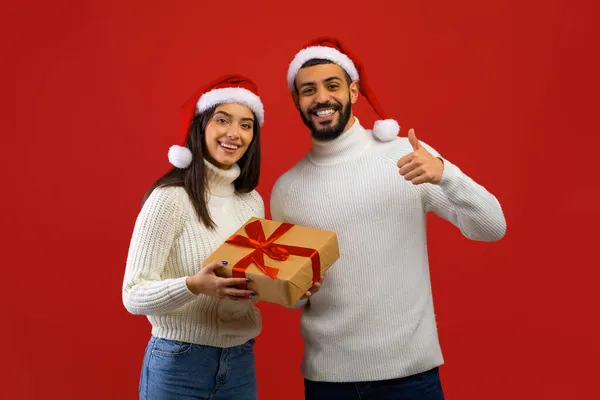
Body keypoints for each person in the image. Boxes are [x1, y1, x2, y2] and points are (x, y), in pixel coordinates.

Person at [270, 37, 507, 400]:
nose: (321, 98)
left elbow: (492, 227)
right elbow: (295, 294)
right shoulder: (287, 189)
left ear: (353, 90)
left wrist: (446, 173)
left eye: (332, 85)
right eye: (308, 90)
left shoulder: (405, 156)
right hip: (327, 381)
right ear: (297, 100)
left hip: (410, 376)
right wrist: (298, 291)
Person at [122, 75, 267, 400]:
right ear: (200, 126)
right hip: (178, 363)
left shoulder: (252, 202)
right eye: (222, 120)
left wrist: (297, 286)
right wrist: (193, 285)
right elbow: (133, 295)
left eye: (246, 124)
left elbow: (251, 287)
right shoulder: (170, 198)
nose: (234, 133)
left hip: (239, 362)